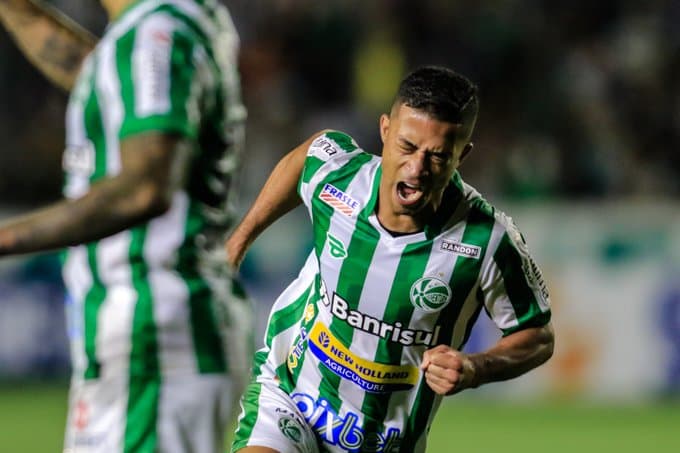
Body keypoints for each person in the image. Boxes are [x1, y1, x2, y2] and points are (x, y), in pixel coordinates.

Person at [226, 65, 555, 453]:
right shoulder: (339, 177)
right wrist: (235, 247)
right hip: (291, 394)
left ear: (461, 155)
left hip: (384, 440)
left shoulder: (487, 240)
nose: (417, 169)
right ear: (385, 130)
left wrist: (475, 368)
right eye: (407, 147)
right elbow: (305, 157)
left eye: (437, 156)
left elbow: (538, 337)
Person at [0, 0, 252, 451]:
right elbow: (100, 77)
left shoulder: (156, 31)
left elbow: (145, 187)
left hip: (153, 340)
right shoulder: (165, 24)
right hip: (144, 346)